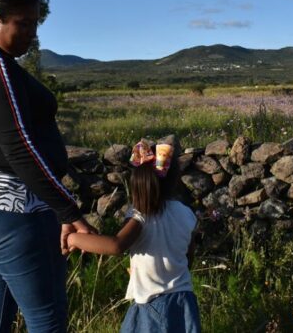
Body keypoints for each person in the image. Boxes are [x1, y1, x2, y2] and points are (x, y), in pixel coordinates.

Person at [0, 0, 93, 333]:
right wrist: (68, 209)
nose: (32, 34)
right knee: (47, 319)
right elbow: (19, 146)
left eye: (35, 24)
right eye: (24, 24)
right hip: (12, 208)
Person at [66, 140, 201, 333]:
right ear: (174, 181)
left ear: (137, 184)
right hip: (185, 302)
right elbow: (188, 258)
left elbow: (116, 245)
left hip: (153, 305)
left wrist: (73, 239)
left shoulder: (141, 216)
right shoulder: (186, 213)